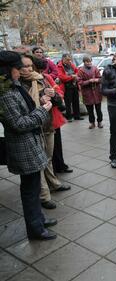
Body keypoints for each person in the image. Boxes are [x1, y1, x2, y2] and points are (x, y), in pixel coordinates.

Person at [0, 51, 57, 240]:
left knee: (32, 187)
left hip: (30, 144)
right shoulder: (6, 93)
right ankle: (35, 228)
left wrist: (40, 103)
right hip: (22, 147)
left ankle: (38, 219)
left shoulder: (13, 86)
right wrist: (42, 111)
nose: (21, 71)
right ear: (8, 70)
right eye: (18, 68)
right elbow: (18, 124)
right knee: (30, 190)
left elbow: (26, 109)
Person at [20, 55, 71, 209]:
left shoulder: (42, 79)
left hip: (47, 124)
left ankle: (54, 184)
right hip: (32, 128)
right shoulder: (17, 85)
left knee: (48, 157)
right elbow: (22, 109)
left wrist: (52, 95)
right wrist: (40, 99)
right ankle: (44, 195)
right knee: (39, 162)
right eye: (25, 66)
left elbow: (58, 101)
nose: (29, 69)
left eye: (31, 66)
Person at [78, 56, 103, 129]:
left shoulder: (95, 68)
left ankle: (100, 122)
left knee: (98, 109)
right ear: (84, 62)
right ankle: (92, 123)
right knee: (90, 110)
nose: (89, 63)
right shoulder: (81, 71)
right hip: (87, 93)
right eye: (87, 61)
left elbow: (100, 78)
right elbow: (79, 82)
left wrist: (96, 80)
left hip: (96, 92)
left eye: (90, 61)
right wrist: (88, 81)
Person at [57, 53, 83, 122]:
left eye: (70, 60)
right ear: (63, 59)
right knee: (68, 102)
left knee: (76, 101)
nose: (69, 61)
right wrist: (72, 77)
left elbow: (77, 71)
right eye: (67, 60)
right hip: (67, 87)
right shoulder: (59, 66)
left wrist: (75, 75)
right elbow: (62, 77)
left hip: (74, 85)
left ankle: (77, 116)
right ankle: (69, 117)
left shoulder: (71, 64)